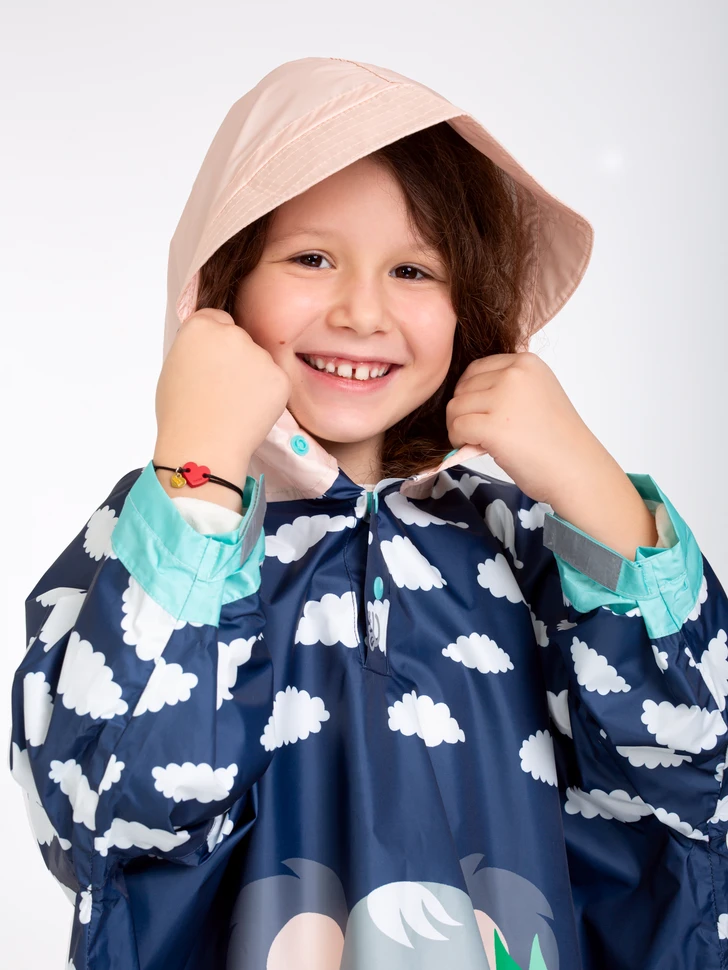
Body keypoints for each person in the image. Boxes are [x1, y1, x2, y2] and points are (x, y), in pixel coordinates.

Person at [9, 56, 728, 970]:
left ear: (471, 307)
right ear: (223, 284)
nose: (361, 312)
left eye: (415, 269)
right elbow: (103, 815)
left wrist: (591, 485)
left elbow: (698, 777)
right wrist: (197, 474)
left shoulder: (522, 542)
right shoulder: (162, 527)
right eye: (312, 258)